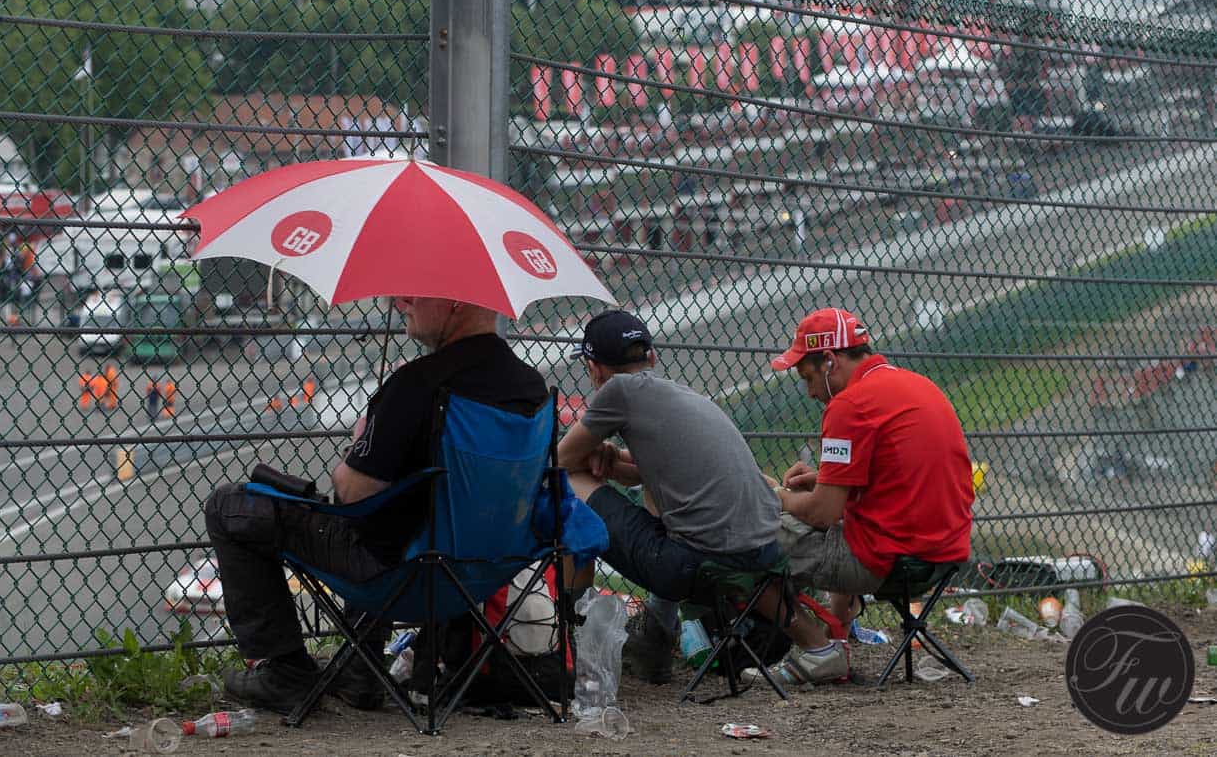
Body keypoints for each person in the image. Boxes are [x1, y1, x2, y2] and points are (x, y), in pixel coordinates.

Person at [204, 296, 548, 714]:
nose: (402, 301)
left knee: (230, 507)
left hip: (403, 575)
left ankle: (286, 673)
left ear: (456, 302)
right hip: (483, 573)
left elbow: (352, 491)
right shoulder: (532, 389)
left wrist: (359, 443)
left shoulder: (419, 384)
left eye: (415, 293)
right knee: (393, 512)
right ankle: (358, 670)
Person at [556, 309, 784, 685]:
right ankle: (655, 638)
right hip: (759, 550)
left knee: (568, 483)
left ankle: (570, 638)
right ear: (652, 356)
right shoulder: (681, 394)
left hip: (694, 565)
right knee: (655, 496)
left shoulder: (618, 390)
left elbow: (560, 461)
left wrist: (595, 453)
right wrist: (610, 459)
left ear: (594, 368)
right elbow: (652, 472)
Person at [768, 307, 974, 681]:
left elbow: (822, 514)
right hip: (945, 553)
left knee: (752, 536)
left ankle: (819, 650)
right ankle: (837, 636)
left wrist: (776, 495)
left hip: (890, 560)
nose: (810, 392)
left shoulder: (850, 404)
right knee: (831, 520)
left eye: (808, 378)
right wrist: (826, 481)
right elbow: (893, 480)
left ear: (829, 361)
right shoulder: (915, 384)